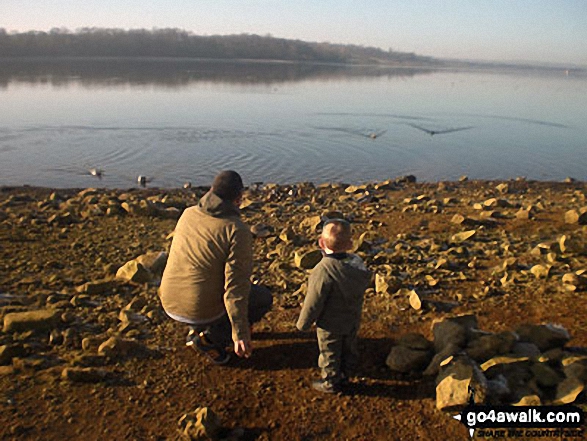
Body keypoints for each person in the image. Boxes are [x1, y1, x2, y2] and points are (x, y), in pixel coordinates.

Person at [159, 170, 272, 365]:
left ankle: (197, 328)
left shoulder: (188, 213)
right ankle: (209, 340)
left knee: (203, 271)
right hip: (196, 309)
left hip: (169, 301)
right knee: (262, 298)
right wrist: (240, 333)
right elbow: (236, 288)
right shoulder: (236, 230)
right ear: (238, 199)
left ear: (211, 190)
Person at [296, 219, 371, 393]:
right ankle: (346, 373)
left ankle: (331, 381)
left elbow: (314, 301)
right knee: (348, 347)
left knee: (330, 351)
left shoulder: (323, 269)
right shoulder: (357, 264)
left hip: (330, 323)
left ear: (321, 243)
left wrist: (303, 324)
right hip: (352, 317)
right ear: (351, 244)